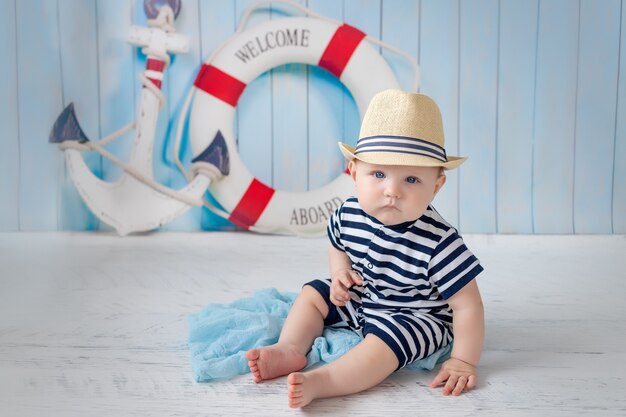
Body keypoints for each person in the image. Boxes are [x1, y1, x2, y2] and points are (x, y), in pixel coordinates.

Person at [246, 90, 485, 408]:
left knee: (385, 345)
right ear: (354, 173)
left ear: (436, 187)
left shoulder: (440, 242)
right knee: (313, 294)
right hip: (366, 297)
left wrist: (464, 361)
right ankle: (290, 348)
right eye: (379, 174)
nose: (392, 191)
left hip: (416, 314)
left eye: (411, 179)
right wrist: (340, 272)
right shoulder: (349, 213)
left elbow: (467, 305)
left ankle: (327, 380)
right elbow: (336, 242)